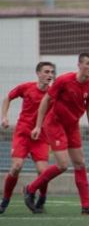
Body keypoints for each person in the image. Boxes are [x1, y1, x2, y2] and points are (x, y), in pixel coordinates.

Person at [23, 53, 89, 215]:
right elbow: (45, 101)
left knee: (80, 163)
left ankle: (86, 206)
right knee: (62, 164)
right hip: (55, 124)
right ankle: (31, 189)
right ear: (79, 65)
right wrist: (38, 126)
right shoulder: (64, 80)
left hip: (72, 125)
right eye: (88, 63)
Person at [1, 61, 56, 214]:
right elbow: (7, 98)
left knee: (43, 171)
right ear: (38, 73)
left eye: (52, 72)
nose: (49, 75)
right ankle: (4, 201)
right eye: (46, 72)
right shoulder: (26, 88)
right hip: (23, 134)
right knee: (16, 167)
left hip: (42, 137)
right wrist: (4, 117)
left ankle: (41, 199)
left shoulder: (53, 93)